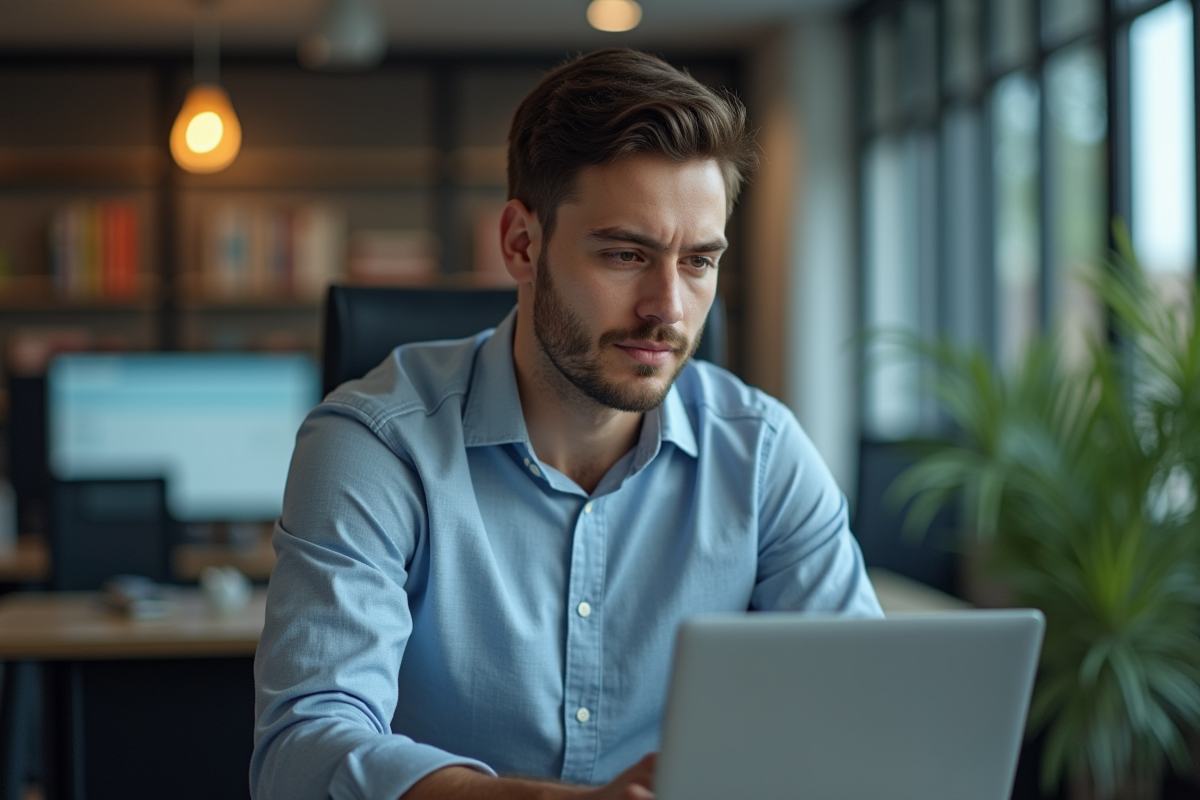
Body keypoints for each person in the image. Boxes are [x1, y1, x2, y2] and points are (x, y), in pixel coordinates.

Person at [252, 48, 882, 800]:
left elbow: (863, 718)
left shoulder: (761, 451)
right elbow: (304, 755)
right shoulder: (377, 444)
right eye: (626, 254)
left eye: (698, 263)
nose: (668, 309)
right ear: (522, 244)